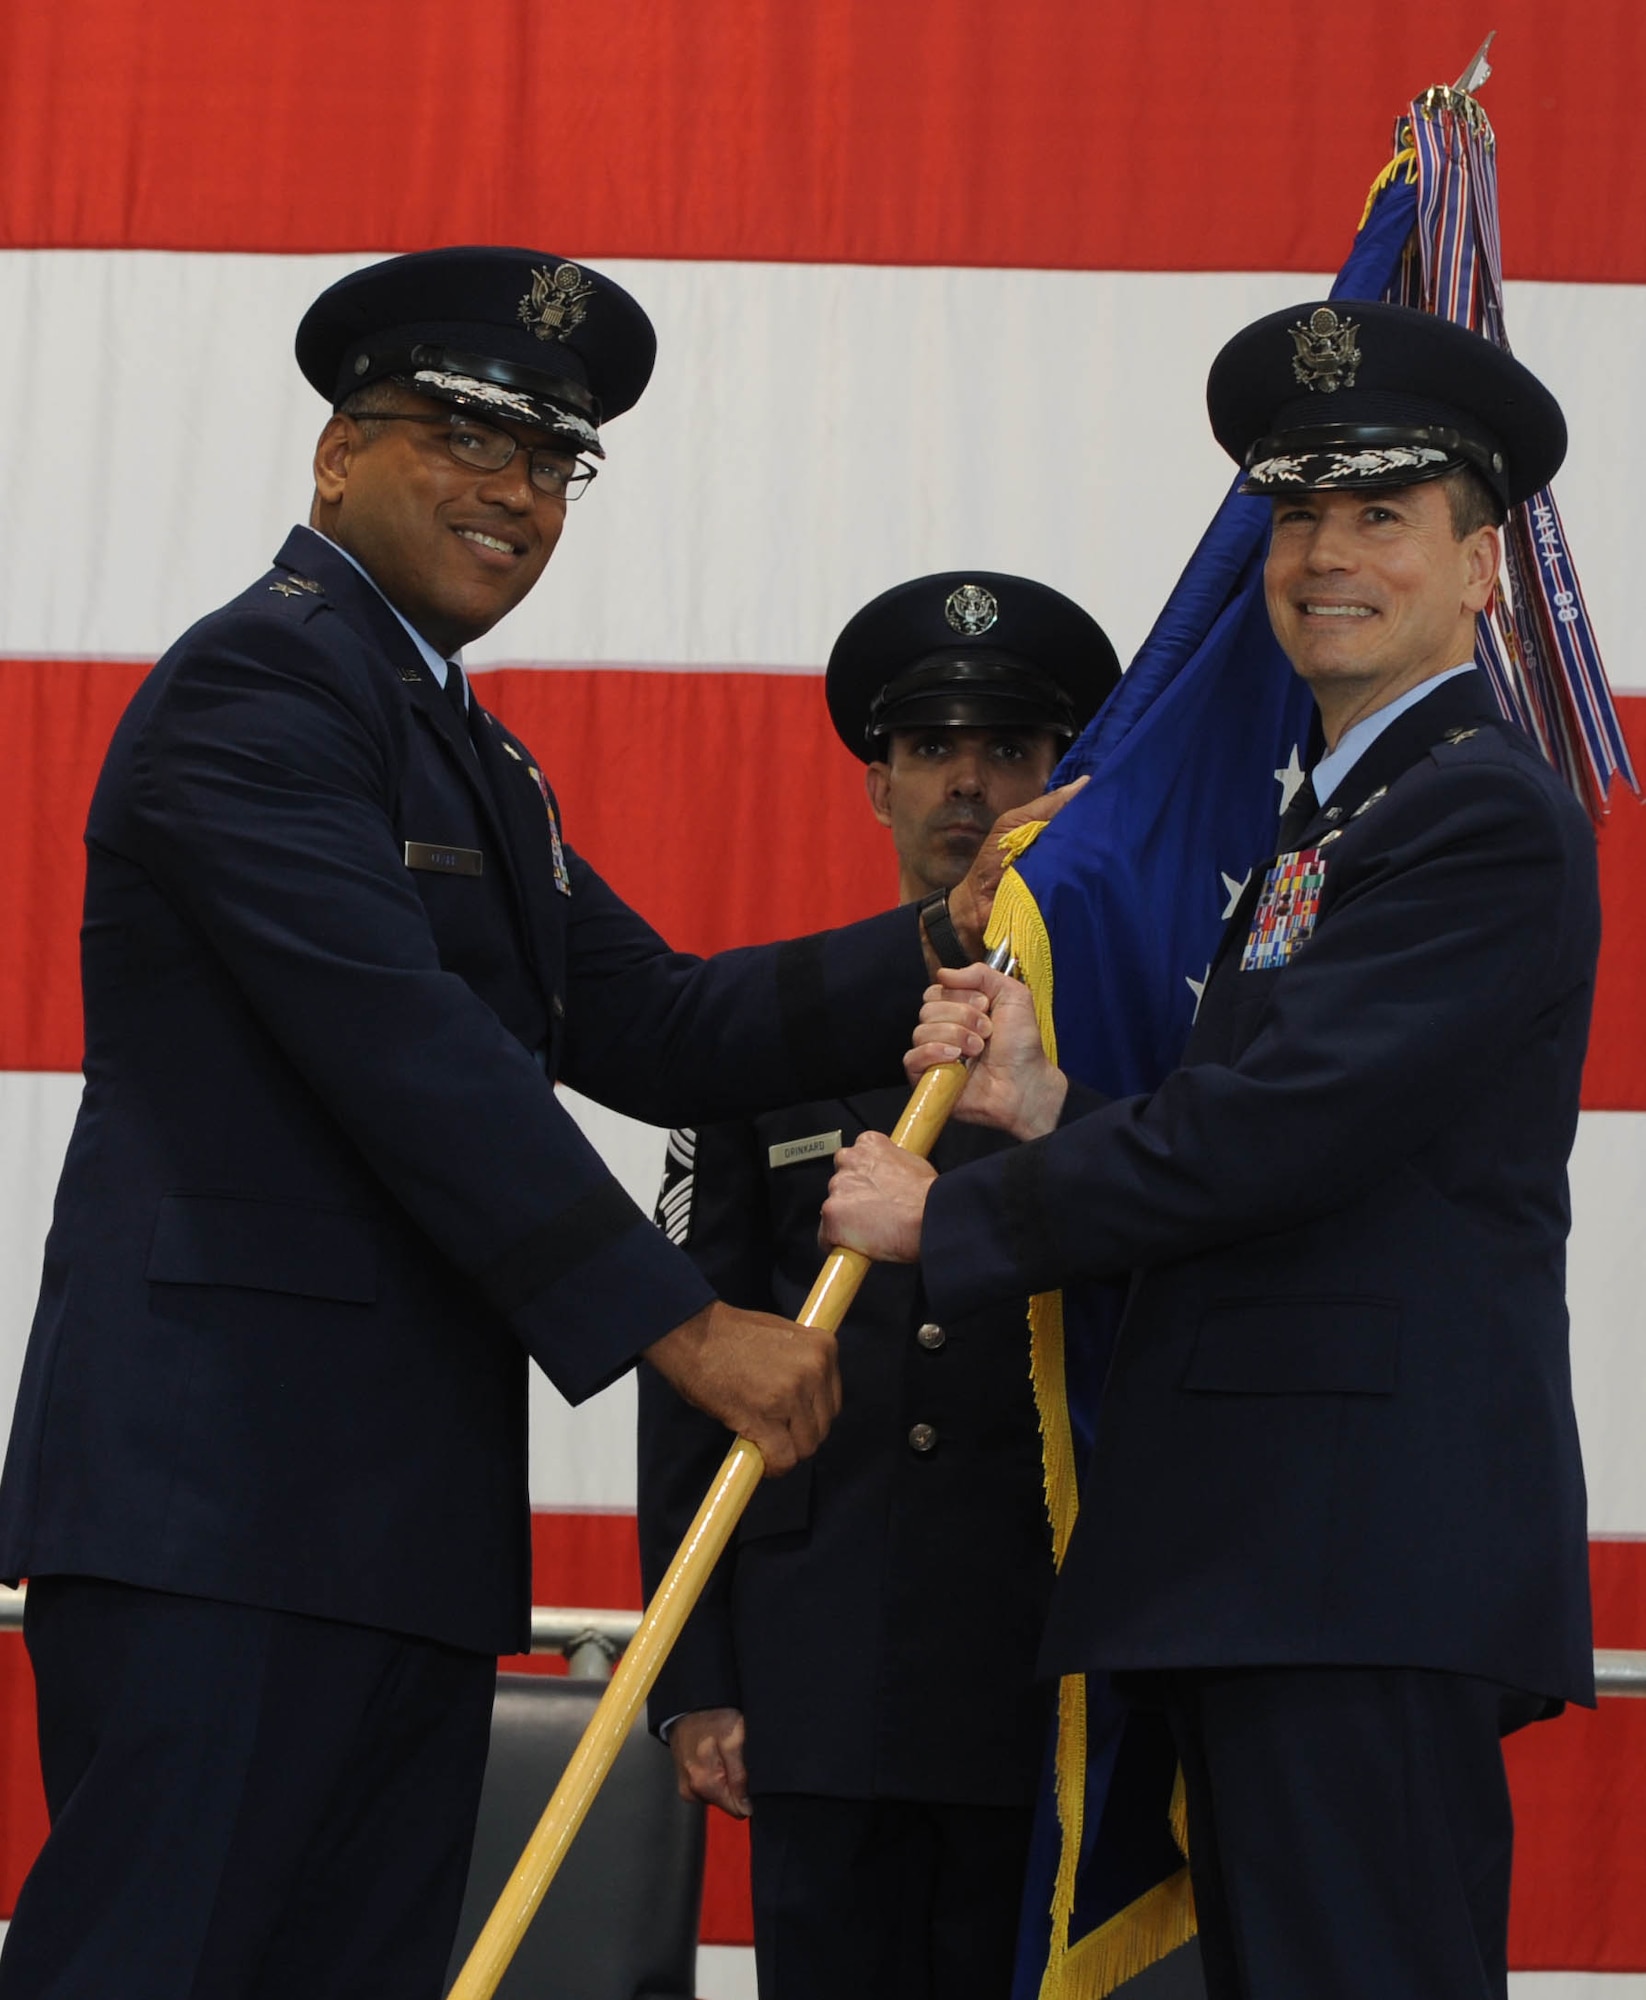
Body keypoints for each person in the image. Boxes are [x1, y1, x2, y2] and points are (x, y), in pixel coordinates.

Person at [0, 248, 1065, 2000]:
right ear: (338, 455)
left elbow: (652, 1018)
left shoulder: (472, 758)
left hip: (391, 1520)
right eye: (465, 438)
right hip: (222, 1505)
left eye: (553, 459)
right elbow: (405, 1055)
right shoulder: (256, 694)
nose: (514, 490)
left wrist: (947, 935)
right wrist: (686, 1328)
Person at [821, 300, 1598, 2000]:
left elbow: (1277, 1134)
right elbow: (1297, 1135)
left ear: (1482, 568)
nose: (1323, 553)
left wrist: (951, 1212)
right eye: (1297, 513)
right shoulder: (1330, 819)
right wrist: (1048, 1103)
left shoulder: (1475, 810)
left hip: (1350, 1555)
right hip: (1275, 1554)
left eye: (1380, 515)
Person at [637, 573, 1120, 2000]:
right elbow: (695, 1357)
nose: (967, 787)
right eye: (928, 751)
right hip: (820, 1653)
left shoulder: (1111, 1049)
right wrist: (696, 1668)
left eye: (1012, 752)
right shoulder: (770, 1033)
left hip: (1044, 1647)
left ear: (1063, 783)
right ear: (876, 784)